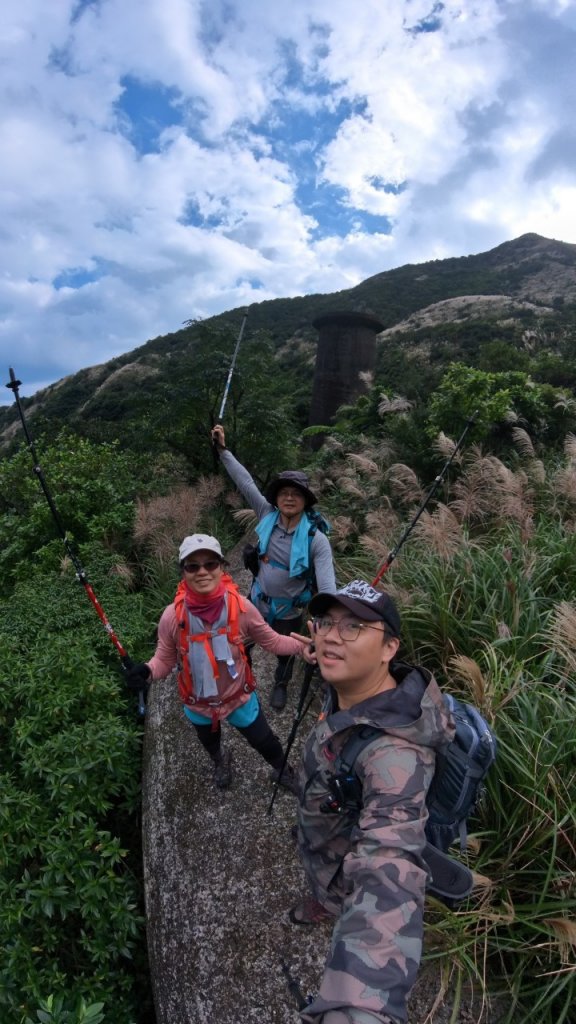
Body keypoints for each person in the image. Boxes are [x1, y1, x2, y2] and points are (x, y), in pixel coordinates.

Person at [290, 579, 455, 1024]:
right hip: (324, 840)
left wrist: (356, 1007)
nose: (329, 636)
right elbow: (329, 651)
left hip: (349, 867)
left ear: (389, 648)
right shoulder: (358, 687)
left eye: (353, 628)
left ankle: (328, 901)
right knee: (321, 883)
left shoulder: (395, 757)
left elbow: (389, 864)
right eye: (325, 623)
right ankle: (321, 901)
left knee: (344, 893)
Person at [123, 534, 307, 794]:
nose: (202, 572)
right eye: (192, 566)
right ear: (183, 572)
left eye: (210, 564)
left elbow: (273, 642)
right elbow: (164, 658)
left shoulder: (242, 608)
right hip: (197, 702)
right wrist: (147, 671)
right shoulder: (172, 617)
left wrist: (305, 647)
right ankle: (220, 761)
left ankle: (283, 769)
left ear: (222, 567)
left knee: (265, 741)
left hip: (238, 696)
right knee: (209, 740)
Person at [211, 423, 336, 710]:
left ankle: (280, 683)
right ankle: (245, 678)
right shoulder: (267, 515)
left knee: (285, 653)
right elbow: (245, 483)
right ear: (277, 499)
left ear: (305, 500)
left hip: (289, 609)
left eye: (296, 493)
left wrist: (328, 624)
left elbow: (328, 588)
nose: (289, 497)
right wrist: (222, 450)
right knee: (242, 645)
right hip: (256, 601)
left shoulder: (315, 540)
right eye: (284, 493)